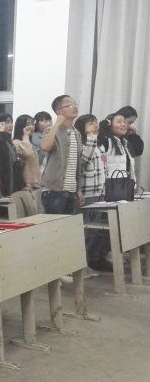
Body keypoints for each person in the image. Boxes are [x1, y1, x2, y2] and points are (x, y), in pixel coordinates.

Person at [75, 114, 110, 272]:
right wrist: (90, 137)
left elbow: (103, 167)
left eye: (95, 122)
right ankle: (79, 266)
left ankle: (89, 262)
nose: (95, 125)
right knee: (85, 231)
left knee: (95, 230)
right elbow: (83, 162)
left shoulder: (97, 145)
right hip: (87, 194)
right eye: (90, 123)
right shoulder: (82, 144)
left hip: (99, 192)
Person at [40, 95, 82, 214]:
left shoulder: (77, 133)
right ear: (59, 111)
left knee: (68, 225)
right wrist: (57, 123)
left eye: (75, 103)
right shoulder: (51, 130)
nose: (74, 107)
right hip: (54, 190)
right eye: (69, 105)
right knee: (54, 224)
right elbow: (45, 147)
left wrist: (78, 189)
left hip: (71, 190)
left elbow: (77, 164)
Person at [98, 112, 136, 180]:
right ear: (110, 125)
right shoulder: (106, 142)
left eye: (125, 122)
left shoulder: (125, 143)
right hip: (110, 184)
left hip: (125, 184)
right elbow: (101, 162)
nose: (123, 124)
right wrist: (104, 123)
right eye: (119, 122)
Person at [12, 115, 42, 192]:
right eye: (28, 124)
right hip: (25, 185)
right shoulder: (16, 143)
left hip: (35, 185)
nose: (31, 127)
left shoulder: (29, 143)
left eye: (33, 124)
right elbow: (27, 153)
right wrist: (25, 135)